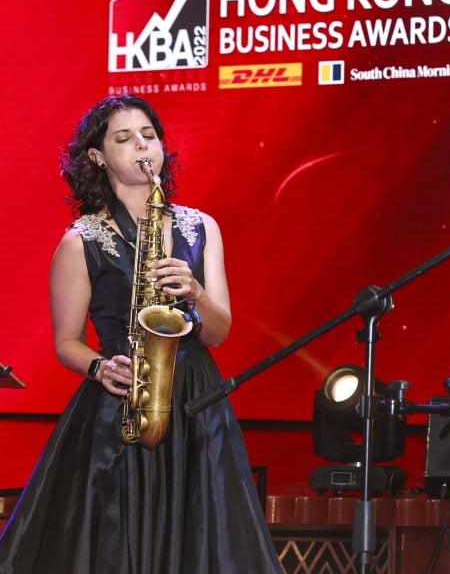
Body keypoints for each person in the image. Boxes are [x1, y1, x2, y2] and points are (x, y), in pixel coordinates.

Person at [0, 95, 282, 574]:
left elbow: (218, 333)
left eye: (149, 135)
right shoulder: (80, 240)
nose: (141, 147)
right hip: (121, 398)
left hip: (195, 398)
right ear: (97, 157)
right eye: (124, 138)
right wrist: (99, 366)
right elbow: (66, 341)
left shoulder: (201, 227)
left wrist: (194, 290)